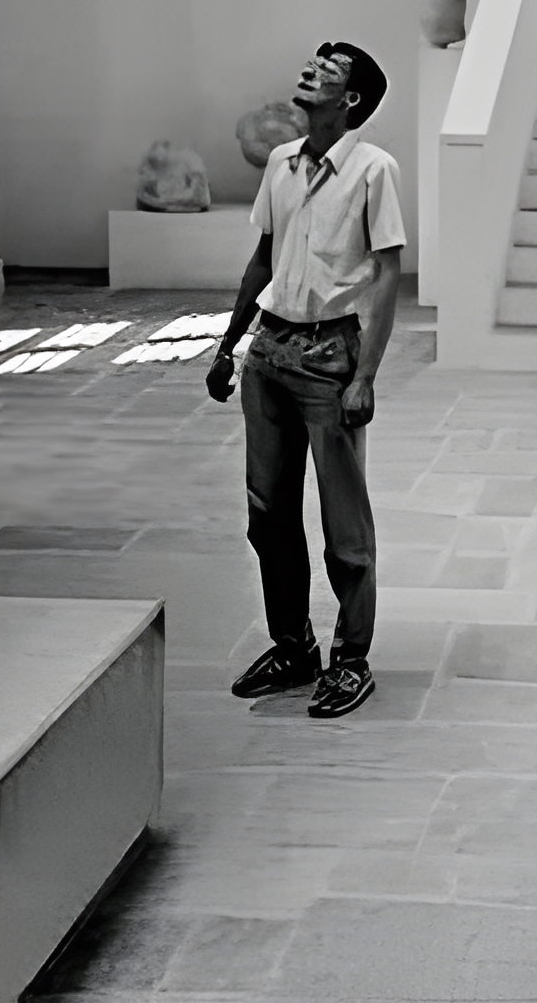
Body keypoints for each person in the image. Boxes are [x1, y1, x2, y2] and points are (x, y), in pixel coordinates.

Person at [206, 39, 403, 718]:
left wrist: (365, 374)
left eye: (329, 69)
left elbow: (387, 274)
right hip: (270, 351)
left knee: (344, 525)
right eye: (314, 62)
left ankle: (351, 660)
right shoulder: (282, 163)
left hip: (329, 356)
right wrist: (229, 344)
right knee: (268, 516)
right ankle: (294, 647)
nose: (311, 70)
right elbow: (264, 257)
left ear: (351, 99)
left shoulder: (374, 170)